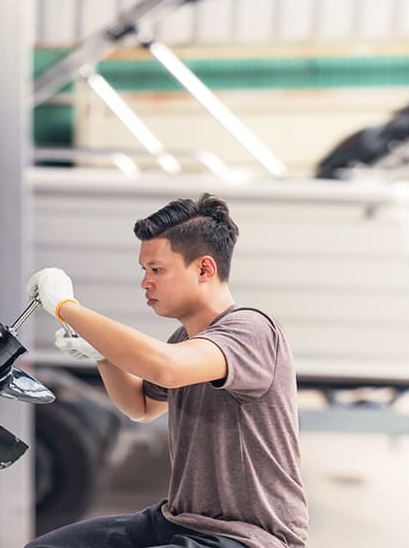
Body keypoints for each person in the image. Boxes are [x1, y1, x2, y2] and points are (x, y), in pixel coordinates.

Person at [24, 193, 307, 548]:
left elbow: (165, 368)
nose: (145, 282)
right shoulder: (185, 338)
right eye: (144, 270)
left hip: (248, 538)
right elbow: (141, 407)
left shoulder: (251, 330)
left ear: (205, 268)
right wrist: (104, 356)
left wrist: (66, 307)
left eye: (157, 270)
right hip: (179, 520)